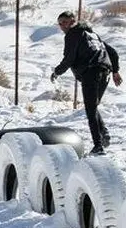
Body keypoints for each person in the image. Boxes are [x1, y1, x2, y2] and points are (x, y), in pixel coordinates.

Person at [50, 11, 121, 155]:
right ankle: (104, 134)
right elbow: (112, 52)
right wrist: (115, 72)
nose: (62, 26)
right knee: (92, 106)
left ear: (73, 21)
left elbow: (69, 58)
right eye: (60, 24)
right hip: (105, 72)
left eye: (65, 22)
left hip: (90, 72)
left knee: (90, 109)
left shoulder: (73, 34)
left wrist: (57, 72)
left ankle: (98, 146)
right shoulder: (92, 34)